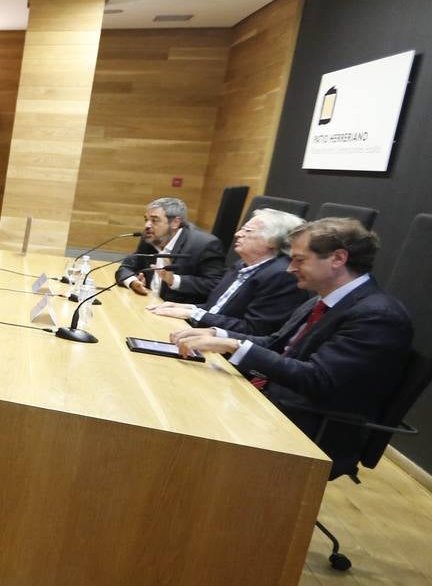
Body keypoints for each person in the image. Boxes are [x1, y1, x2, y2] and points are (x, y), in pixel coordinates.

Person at [170, 218, 414, 463]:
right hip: (275, 399)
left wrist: (235, 346)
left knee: (183, 423)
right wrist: (218, 335)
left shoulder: (377, 316)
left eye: (299, 260)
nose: (289, 268)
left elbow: (318, 379)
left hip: (308, 425)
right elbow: (276, 343)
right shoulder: (322, 298)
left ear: (338, 259)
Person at [148, 208, 307, 336]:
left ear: (273, 241)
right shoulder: (241, 264)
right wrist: (186, 308)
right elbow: (215, 309)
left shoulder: (281, 275)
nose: (237, 234)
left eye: (248, 231)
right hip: (201, 335)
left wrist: (192, 314)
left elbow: (254, 330)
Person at [116, 196, 227, 303]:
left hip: (179, 314)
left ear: (175, 223)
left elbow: (215, 285)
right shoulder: (149, 239)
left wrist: (174, 280)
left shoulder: (204, 245)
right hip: (146, 304)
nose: (147, 225)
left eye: (154, 220)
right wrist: (133, 282)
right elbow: (126, 268)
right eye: (146, 219)